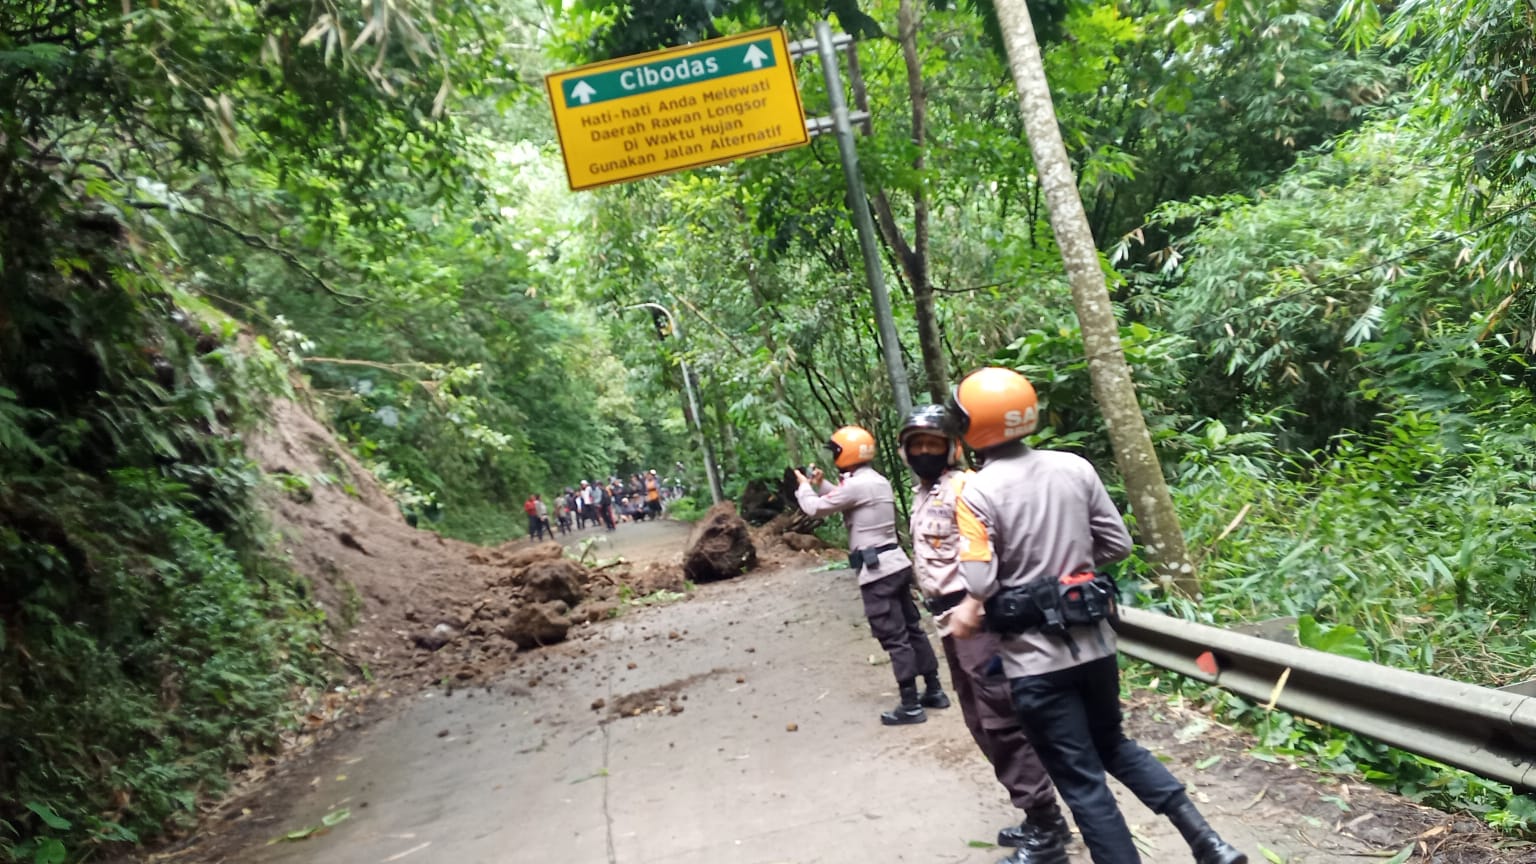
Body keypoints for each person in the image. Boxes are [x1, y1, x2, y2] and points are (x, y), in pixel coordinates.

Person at [944, 367, 1247, 864]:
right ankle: (1208, 842)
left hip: (1036, 664)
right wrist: (1067, 570)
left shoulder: (976, 492)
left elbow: (978, 584)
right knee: (1115, 746)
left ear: (972, 425)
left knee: (1083, 783)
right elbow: (1117, 543)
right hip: (1095, 649)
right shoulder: (1074, 467)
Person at [899, 405, 1071, 864]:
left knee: (1002, 722)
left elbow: (996, 549)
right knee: (982, 723)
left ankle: (1047, 828)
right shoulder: (924, 492)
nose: (923, 452)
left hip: (975, 621)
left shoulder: (965, 487)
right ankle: (1042, 817)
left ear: (953, 446)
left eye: (933, 444)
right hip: (949, 622)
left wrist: (975, 604)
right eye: (916, 445)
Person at [794, 425, 949, 725]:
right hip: (896, 564)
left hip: (877, 573)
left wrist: (803, 486)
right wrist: (823, 483)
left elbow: (814, 509)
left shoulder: (856, 485)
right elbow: (844, 498)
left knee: (894, 637)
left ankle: (910, 705)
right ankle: (934, 689)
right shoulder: (875, 481)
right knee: (912, 628)